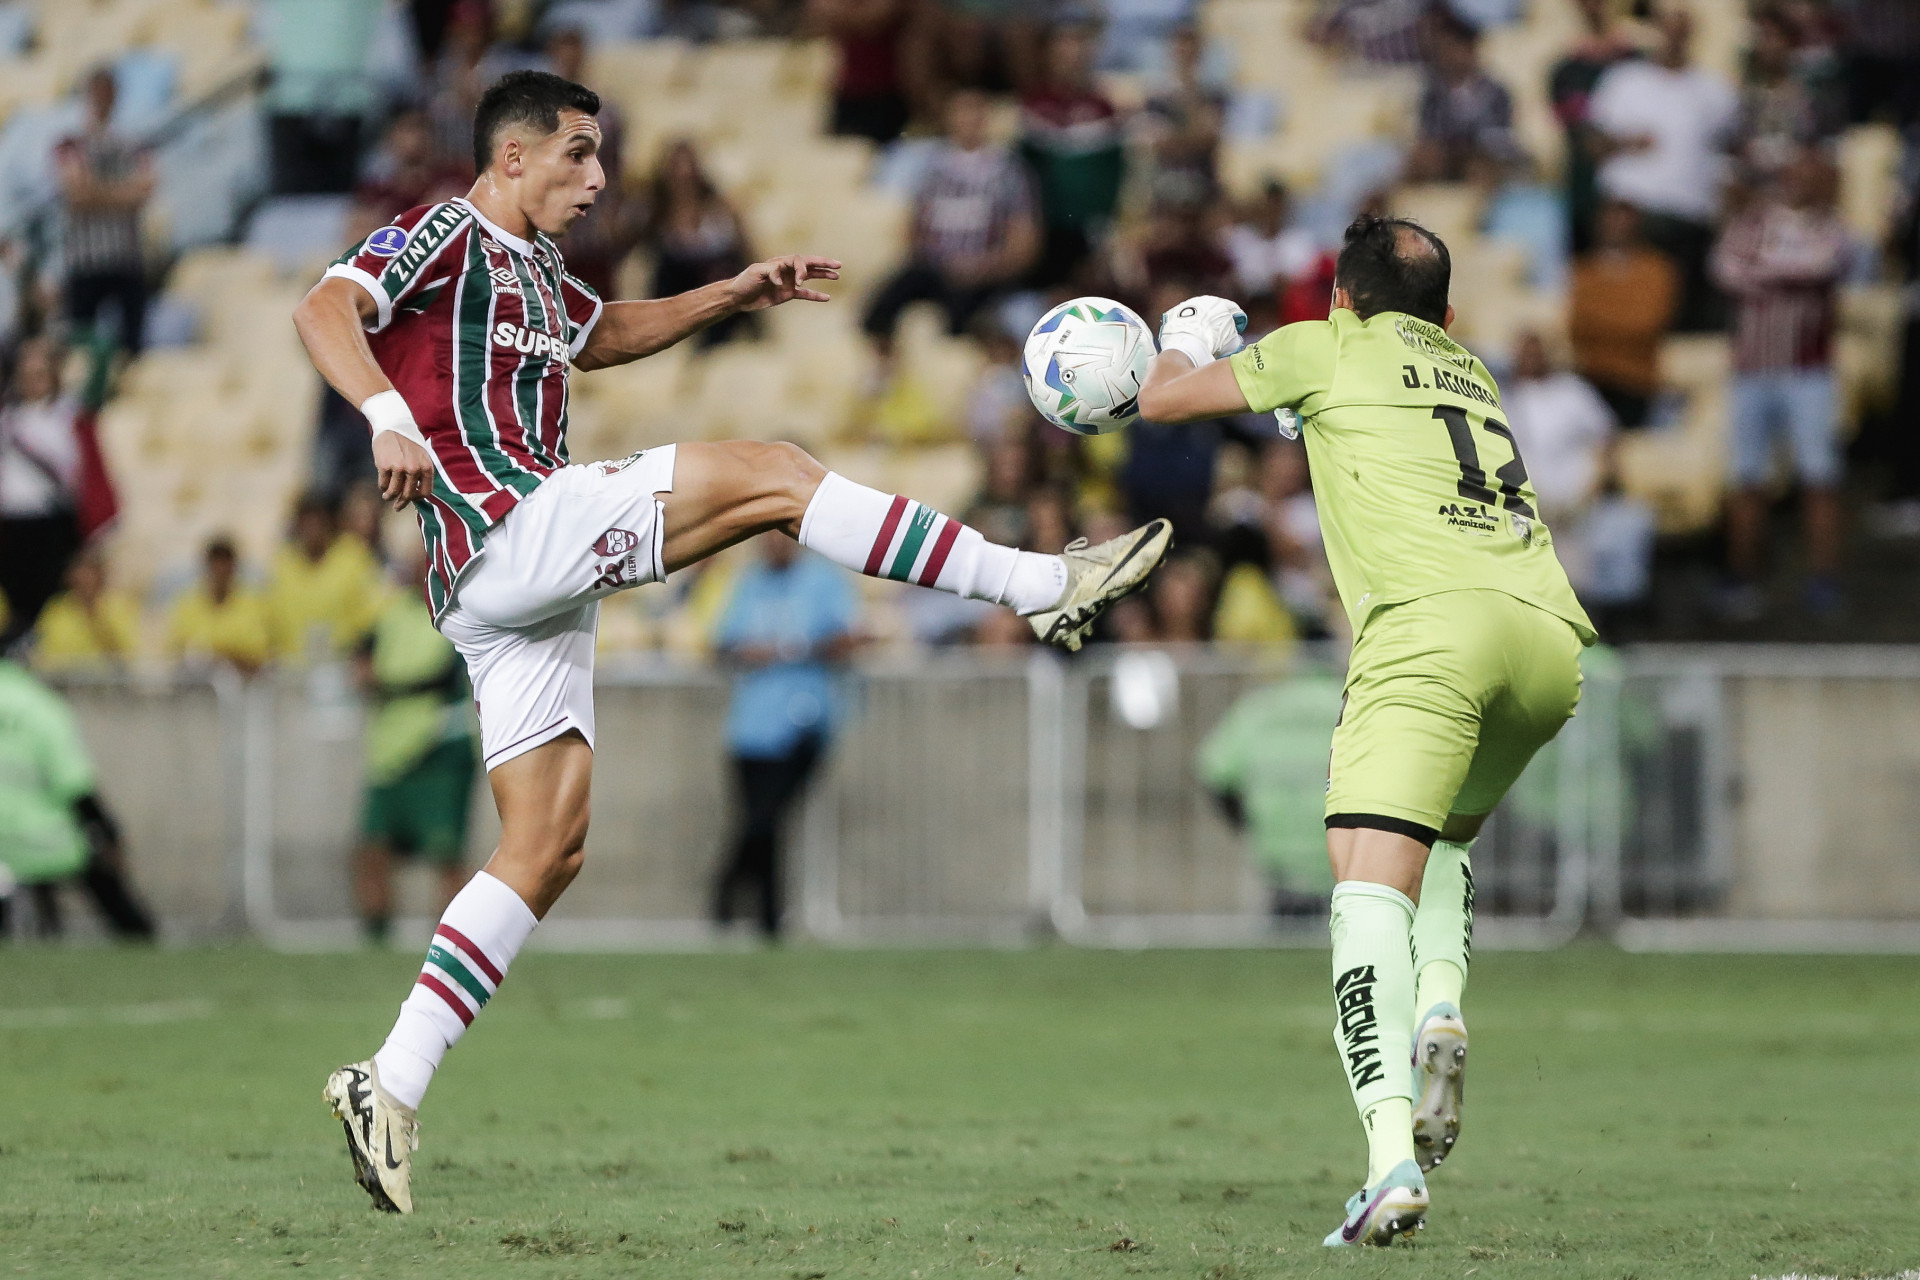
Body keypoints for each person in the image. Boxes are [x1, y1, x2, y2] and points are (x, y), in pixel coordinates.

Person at [293, 69, 1170, 1215]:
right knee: (774, 472)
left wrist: (732, 294)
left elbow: (602, 336)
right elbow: (323, 308)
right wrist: (388, 413)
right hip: (508, 524)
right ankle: (1040, 584)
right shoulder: (440, 231)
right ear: (511, 156)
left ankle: (387, 1082)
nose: (599, 179)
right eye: (577, 154)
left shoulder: (544, 274)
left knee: (546, 847)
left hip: (507, 585)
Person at [1136, 215, 1595, 1245]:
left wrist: (1188, 330)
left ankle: (1389, 1159)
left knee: (1362, 879)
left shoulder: (1325, 344)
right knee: (1441, 842)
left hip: (1431, 636)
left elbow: (1161, 400)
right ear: (1445, 312)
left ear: (1342, 297)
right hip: (1547, 639)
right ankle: (1440, 1004)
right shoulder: (1470, 370)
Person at [1711, 146, 1851, 620]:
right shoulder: (1751, 223)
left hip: (1808, 369)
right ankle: (1742, 580)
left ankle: (1824, 581)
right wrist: (1782, 274)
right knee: (1746, 478)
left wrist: (1763, 274)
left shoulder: (1831, 227)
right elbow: (1725, 270)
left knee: (1820, 479)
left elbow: (1822, 266)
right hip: (1752, 370)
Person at [711, 532, 858, 937]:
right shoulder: (748, 581)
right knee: (762, 823)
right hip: (752, 727)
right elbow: (722, 643)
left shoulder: (823, 581)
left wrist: (795, 649)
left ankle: (726, 895)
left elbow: (848, 636)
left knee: (766, 818)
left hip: (805, 724)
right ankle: (768, 918)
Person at [1585, 6, 1739, 332]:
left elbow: (1731, 154)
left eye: (1681, 30)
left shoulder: (1716, 91)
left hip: (1692, 217)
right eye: (1667, 29)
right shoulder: (1623, 81)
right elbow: (1591, 144)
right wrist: (1625, 144)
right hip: (1637, 215)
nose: (1673, 37)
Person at [353, 547, 479, 943]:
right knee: (372, 848)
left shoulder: (457, 610)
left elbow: (446, 674)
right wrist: (361, 671)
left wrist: (387, 685)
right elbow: (360, 653)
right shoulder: (388, 614)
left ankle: (453, 943)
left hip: (440, 745)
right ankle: (375, 938)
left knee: (446, 853)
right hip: (391, 751)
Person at [861, 88, 1039, 357]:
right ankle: (884, 369)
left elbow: (1024, 240)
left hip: (984, 272)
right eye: (961, 112)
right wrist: (933, 257)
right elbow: (913, 227)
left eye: (975, 111)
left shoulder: (1008, 170)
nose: (968, 120)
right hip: (936, 267)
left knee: (963, 323)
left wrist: (987, 266)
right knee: (880, 308)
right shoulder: (931, 168)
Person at [0, 656, 155, 940]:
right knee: (101, 868)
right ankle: (141, 941)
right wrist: (110, 832)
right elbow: (75, 784)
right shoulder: (39, 705)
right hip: (44, 841)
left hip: (3, 853)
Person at [1198, 671, 1346, 916]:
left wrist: (1247, 823)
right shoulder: (1349, 703)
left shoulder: (1259, 706)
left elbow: (1215, 770)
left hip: (1276, 857)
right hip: (1337, 850)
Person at [55, 67, 155, 355]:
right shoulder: (71, 141)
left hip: (126, 256)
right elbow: (76, 194)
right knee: (81, 343)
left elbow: (145, 190)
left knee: (132, 344)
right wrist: (122, 190)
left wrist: (95, 190)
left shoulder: (132, 141)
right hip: (85, 259)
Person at [1019, 23, 1126, 288]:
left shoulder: (1103, 109)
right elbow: (1023, 173)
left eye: (1079, 51)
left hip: (1091, 226)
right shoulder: (1033, 106)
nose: (1072, 60)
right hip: (1044, 227)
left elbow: (1114, 175)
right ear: (1049, 57)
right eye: (1063, 52)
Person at [0, 337, 84, 645]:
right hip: (12, 522)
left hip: (51, 521)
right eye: (26, 376)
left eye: (39, 375)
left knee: (49, 598)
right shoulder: (8, 419)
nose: (32, 383)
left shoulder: (68, 416)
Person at [1568, 200, 1678, 428]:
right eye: (1610, 222)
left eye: (1623, 222)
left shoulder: (1657, 270)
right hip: (1592, 378)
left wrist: (1599, 319)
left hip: (1637, 382)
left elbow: (1649, 324)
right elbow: (1577, 325)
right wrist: (1624, 316)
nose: (1617, 228)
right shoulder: (1583, 270)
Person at [642, 141, 758, 349]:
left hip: (721, 291)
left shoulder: (721, 208)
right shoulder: (656, 216)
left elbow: (747, 251)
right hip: (678, 293)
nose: (684, 176)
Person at [1547, 0, 1641, 254]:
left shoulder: (1637, 61)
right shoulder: (1565, 70)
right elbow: (1579, 134)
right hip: (1586, 187)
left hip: (1634, 189)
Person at [267, 492, 387, 664]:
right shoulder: (283, 563)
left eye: (317, 522)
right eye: (306, 522)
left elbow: (374, 614)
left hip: (342, 664)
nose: (312, 529)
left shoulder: (353, 555)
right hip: (292, 667)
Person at [1408, 12, 1521, 185]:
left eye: (1453, 47)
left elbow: (1497, 138)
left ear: (1470, 49)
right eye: (1443, 48)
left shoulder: (1496, 93)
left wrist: (1465, 147)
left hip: (1482, 157)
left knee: (1481, 169)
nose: (1447, 55)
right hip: (1445, 159)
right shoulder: (1433, 93)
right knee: (1420, 161)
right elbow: (1429, 134)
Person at [166, 537, 272, 675]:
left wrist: (218, 659)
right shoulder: (186, 604)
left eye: (226, 563)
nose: (221, 569)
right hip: (196, 687)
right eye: (216, 562)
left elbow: (258, 658)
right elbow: (176, 654)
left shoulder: (254, 603)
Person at [31, 545, 140, 675]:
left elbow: (129, 649)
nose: (84, 580)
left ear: (100, 575)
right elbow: (45, 650)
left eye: (89, 573)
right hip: (65, 681)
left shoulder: (118, 605)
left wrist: (96, 614)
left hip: (110, 684)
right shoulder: (57, 609)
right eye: (80, 573)